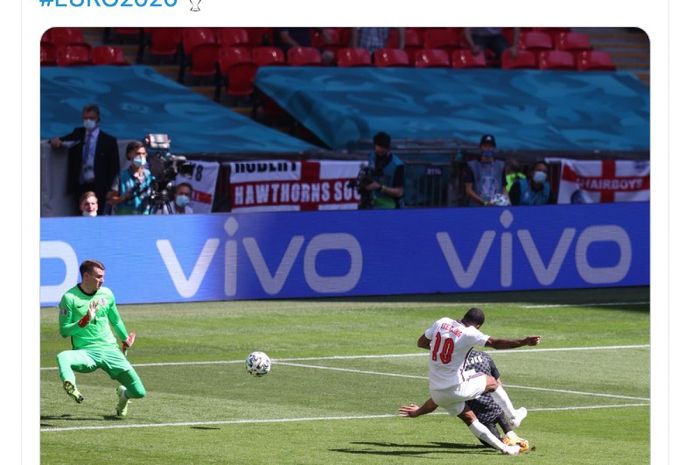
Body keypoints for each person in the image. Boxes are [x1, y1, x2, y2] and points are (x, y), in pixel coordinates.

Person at [399, 307, 541, 455]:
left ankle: (506, 449)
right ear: (478, 325)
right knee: (491, 381)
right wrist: (524, 341)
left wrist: (418, 412)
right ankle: (514, 416)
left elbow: (421, 343)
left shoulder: (442, 322)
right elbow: (496, 343)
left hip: (437, 393)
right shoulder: (470, 333)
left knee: (470, 419)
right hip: (457, 387)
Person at [56, 259, 145, 417]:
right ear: (86, 276)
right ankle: (71, 387)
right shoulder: (69, 298)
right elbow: (64, 331)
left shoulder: (107, 294)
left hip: (111, 350)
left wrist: (125, 339)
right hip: (86, 352)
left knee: (139, 392)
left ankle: (123, 396)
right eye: (98, 276)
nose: (102, 280)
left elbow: (115, 320)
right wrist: (83, 321)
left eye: (103, 276)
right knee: (63, 357)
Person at [49, 104, 121, 215]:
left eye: (91, 118)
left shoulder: (108, 141)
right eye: (85, 118)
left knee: (98, 214)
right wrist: (55, 141)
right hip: (80, 184)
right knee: (80, 214)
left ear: (98, 120)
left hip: (100, 185)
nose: (88, 121)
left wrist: (112, 189)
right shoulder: (78, 133)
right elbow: (62, 140)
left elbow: (114, 167)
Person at [464, 349, 530, 452]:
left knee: (491, 442)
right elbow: (498, 384)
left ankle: (512, 440)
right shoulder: (484, 356)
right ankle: (514, 423)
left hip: (477, 412)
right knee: (504, 424)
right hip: (495, 406)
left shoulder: (454, 363)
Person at [106, 141, 155, 215]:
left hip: (145, 217)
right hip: (126, 218)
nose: (141, 157)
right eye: (137, 154)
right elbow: (110, 199)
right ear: (129, 155)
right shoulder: (121, 176)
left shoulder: (149, 175)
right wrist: (123, 197)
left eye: (143, 154)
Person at [358, 131, 405, 209]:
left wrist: (380, 187)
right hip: (371, 204)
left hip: (391, 207)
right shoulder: (372, 156)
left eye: (382, 153)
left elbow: (399, 192)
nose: (379, 155)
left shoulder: (398, 165)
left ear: (388, 149)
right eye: (377, 152)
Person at [463, 134, 507, 206]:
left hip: (496, 207)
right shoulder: (472, 166)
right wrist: (484, 203)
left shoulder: (500, 165)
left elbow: (504, 188)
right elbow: (468, 190)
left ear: (494, 148)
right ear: (481, 147)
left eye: (490, 146)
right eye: (485, 146)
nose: (488, 149)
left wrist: (507, 201)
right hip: (477, 208)